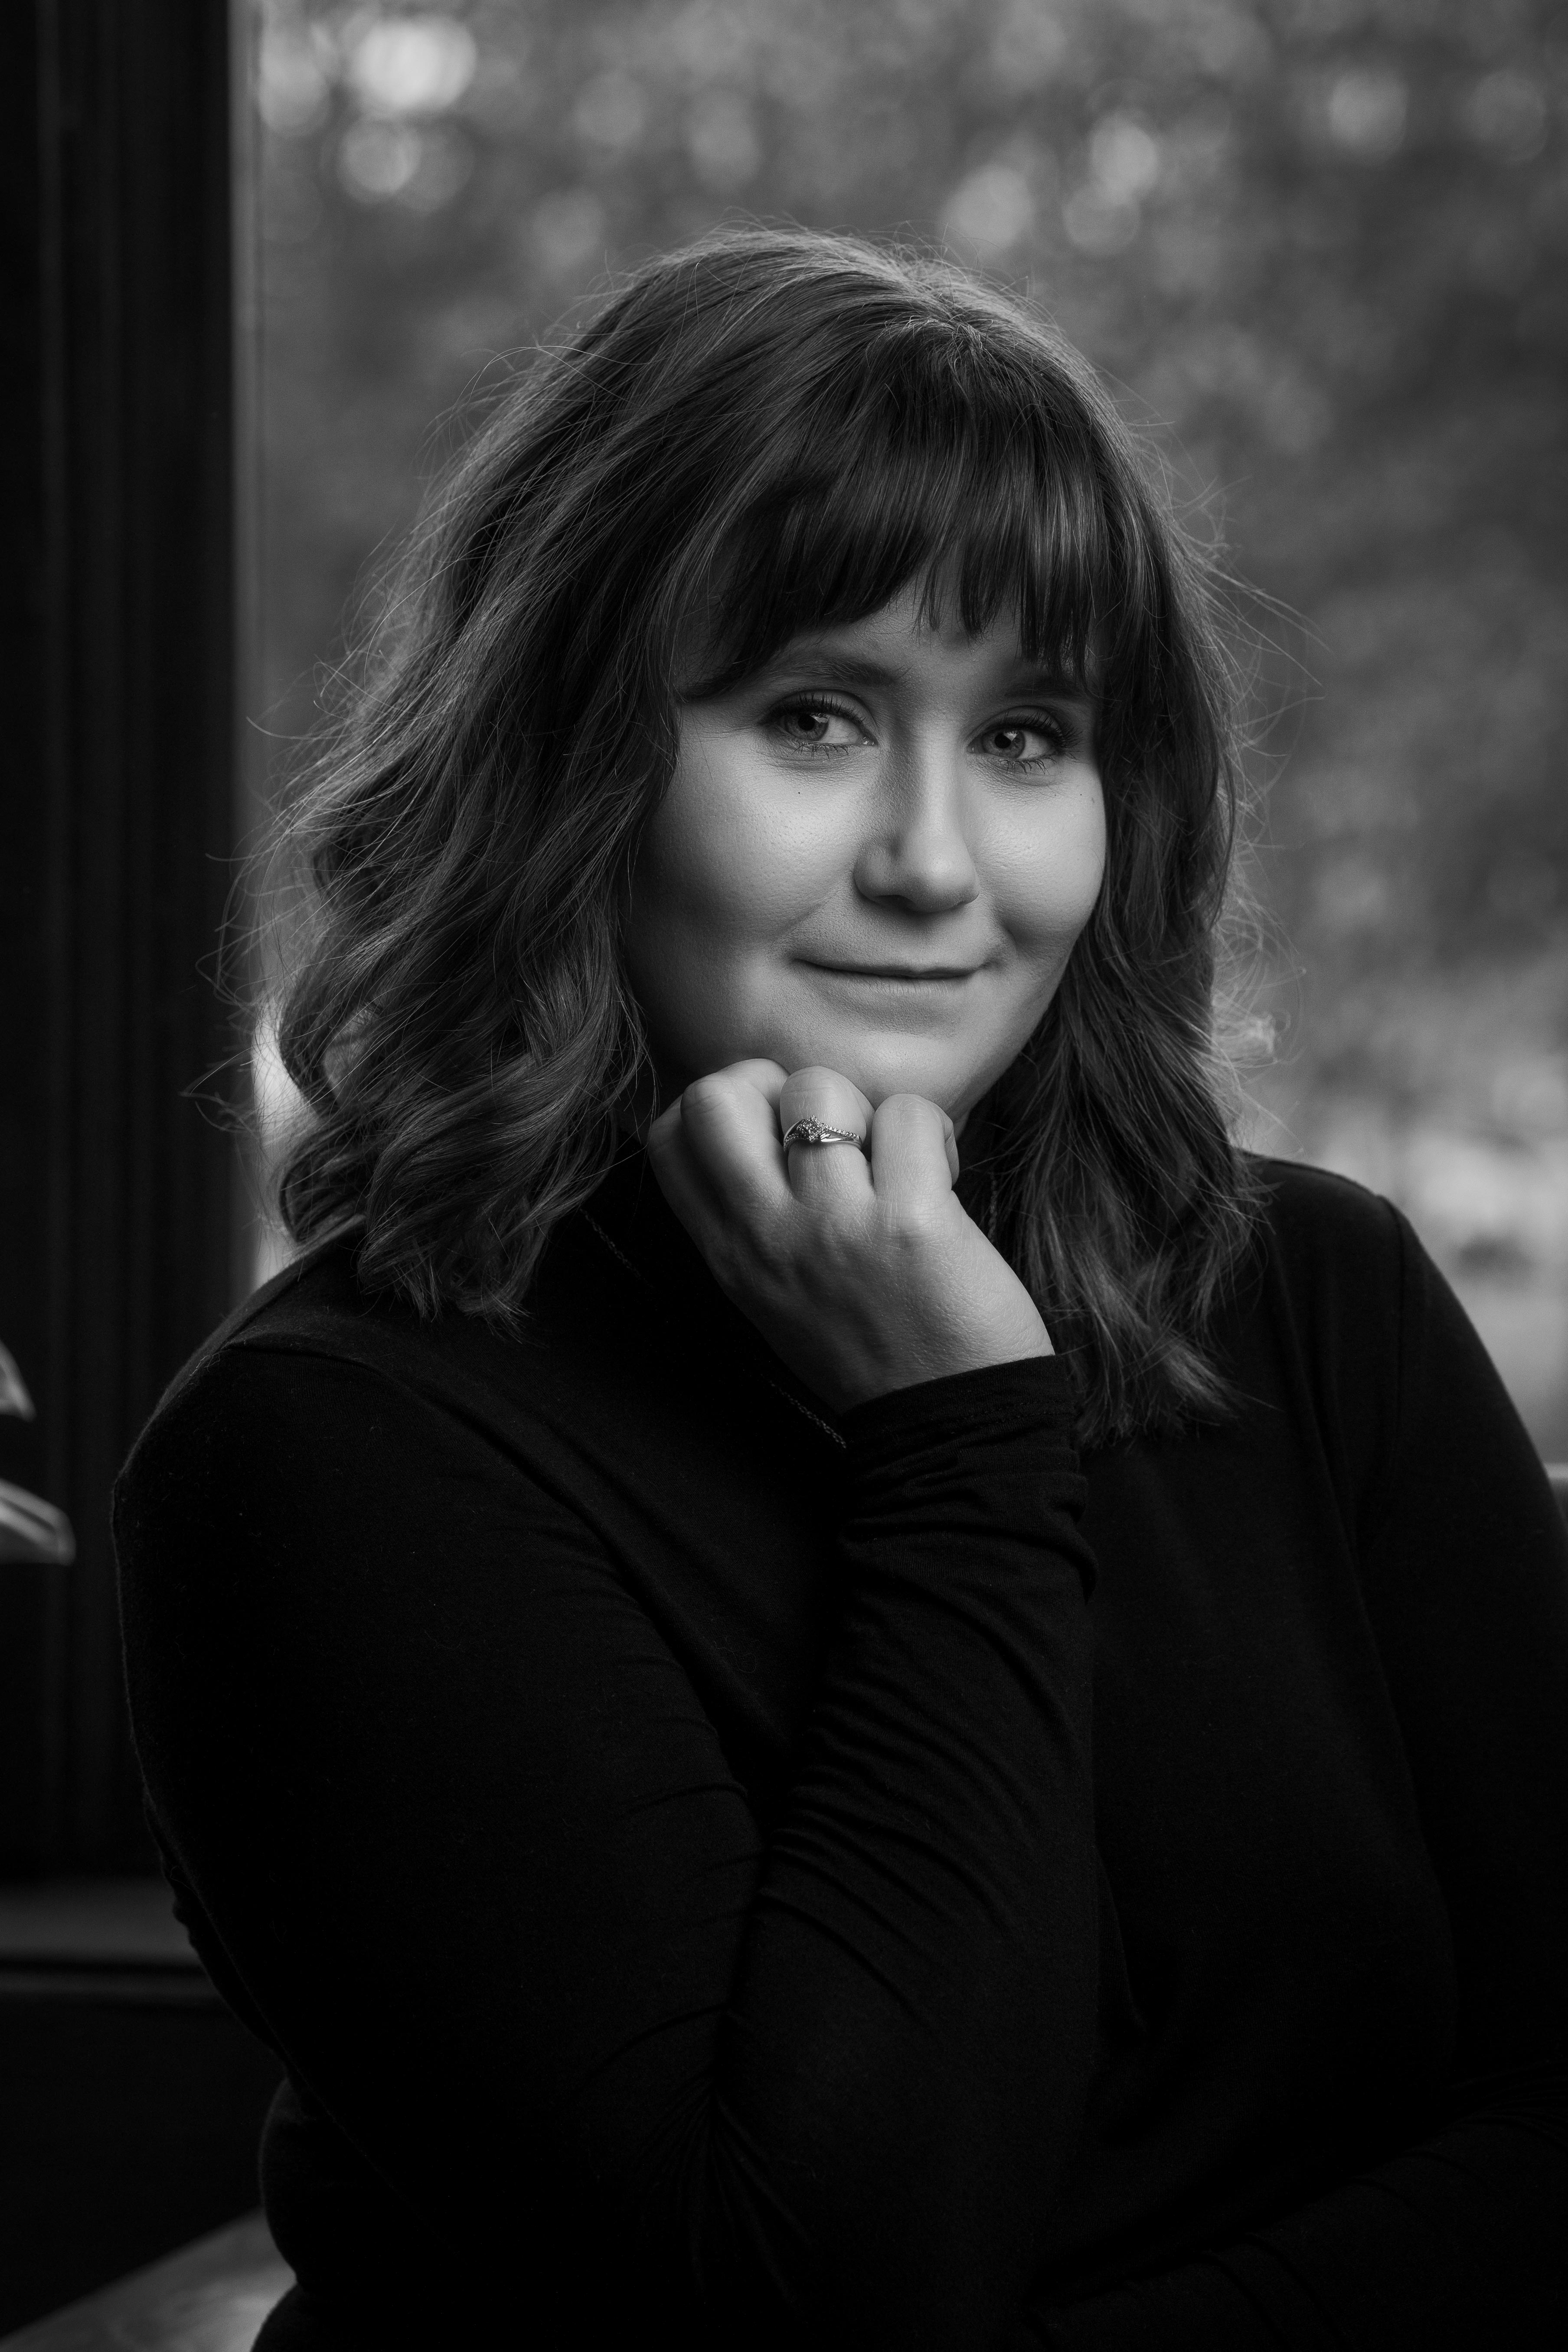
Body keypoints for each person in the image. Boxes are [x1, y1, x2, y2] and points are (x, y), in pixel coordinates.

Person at [114, 230, 1568, 2349]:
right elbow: (804, 2301)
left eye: (1026, 737)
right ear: (570, 758)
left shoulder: (1313, 1299)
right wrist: (956, 1441)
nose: (932, 862)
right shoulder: (321, 1460)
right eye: (814, 715)